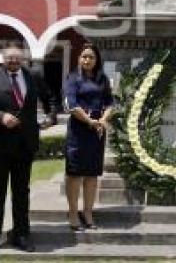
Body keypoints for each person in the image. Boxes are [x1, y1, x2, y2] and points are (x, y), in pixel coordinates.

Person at [0, 44, 55, 258]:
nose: (13, 62)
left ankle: (21, 234)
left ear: (23, 60)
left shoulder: (33, 76)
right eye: (9, 58)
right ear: (3, 59)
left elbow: (49, 98)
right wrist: (1, 117)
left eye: (17, 59)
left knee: (21, 193)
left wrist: (51, 117)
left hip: (24, 145)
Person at [62, 43, 114, 231]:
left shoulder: (103, 79)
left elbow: (110, 102)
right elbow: (71, 104)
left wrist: (102, 120)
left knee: (92, 174)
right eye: (84, 56)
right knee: (75, 173)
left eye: (91, 57)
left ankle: (88, 212)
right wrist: (90, 121)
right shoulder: (73, 78)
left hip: (97, 130)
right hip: (79, 128)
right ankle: (73, 213)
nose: (87, 60)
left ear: (96, 59)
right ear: (79, 59)